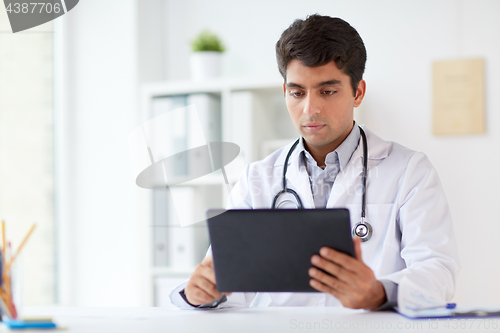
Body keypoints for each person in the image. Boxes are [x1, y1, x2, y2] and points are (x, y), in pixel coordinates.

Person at [169, 14, 460, 310]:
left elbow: (438, 272)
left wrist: (379, 292)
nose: (310, 108)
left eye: (328, 91)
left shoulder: (409, 171)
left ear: (357, 92)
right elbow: (225, 280)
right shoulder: (257, 179)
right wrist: (201, 294)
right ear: (285, 93)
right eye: (297, 92)